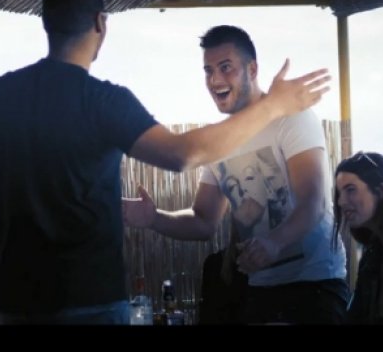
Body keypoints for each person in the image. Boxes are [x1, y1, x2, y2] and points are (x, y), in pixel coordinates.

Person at [0, 0, 331, 325]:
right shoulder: (106, 102)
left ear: (46, 24)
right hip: (93, 297)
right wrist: (274, 105)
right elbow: (183, 155)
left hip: (18, 299)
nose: (214, 79)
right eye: (209, 69)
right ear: (101, 24)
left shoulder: (0, 95)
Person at [123, 25, 348, 324]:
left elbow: (313, 202)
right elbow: (203, 221)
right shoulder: (219, 140)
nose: (215, 79)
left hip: (316, 284)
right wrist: (154, 218)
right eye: (208, 70)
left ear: (252, 69)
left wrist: (274, 242)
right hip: (260, 287)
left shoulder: (292, 118)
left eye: (225, 67)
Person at [334, 151, 383, 324]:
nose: (341, 202)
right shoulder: (373, 254)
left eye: (350, 190)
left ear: (380, 191)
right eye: (339, 193)